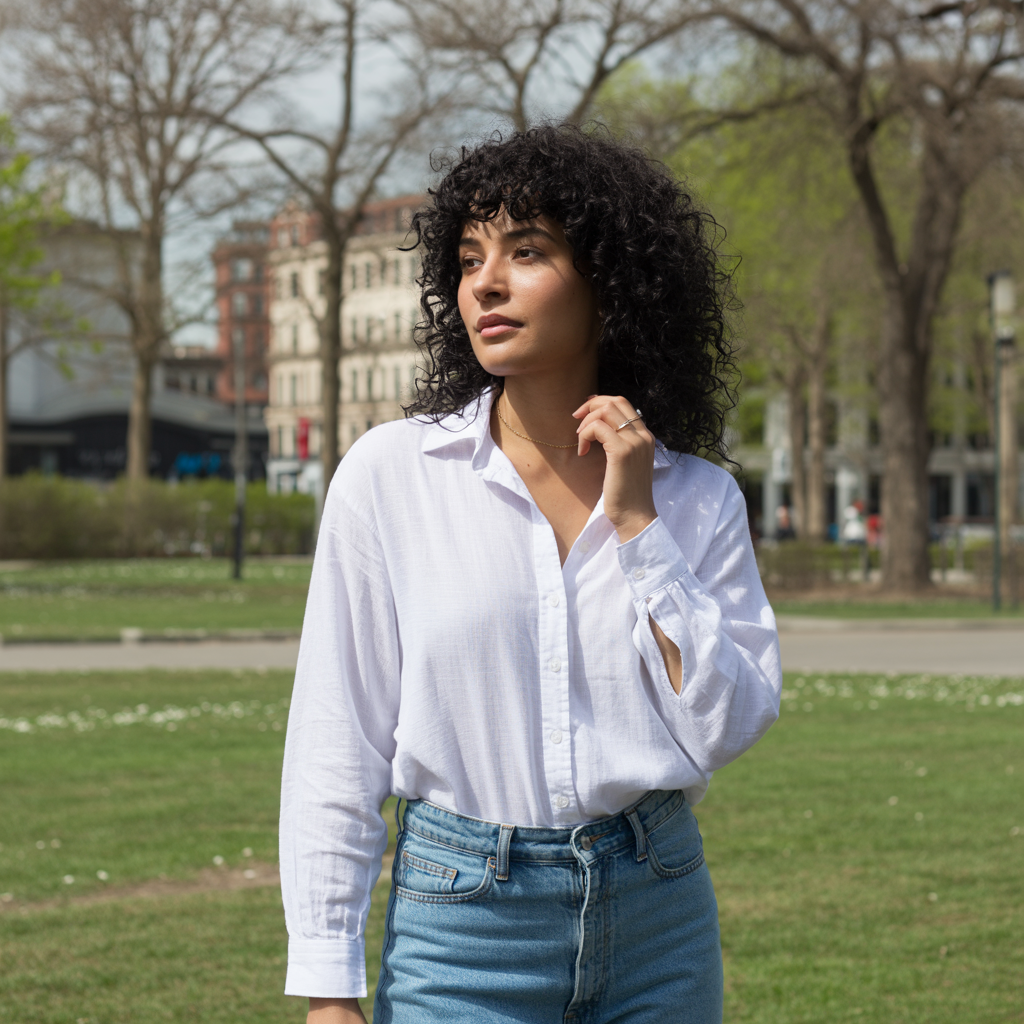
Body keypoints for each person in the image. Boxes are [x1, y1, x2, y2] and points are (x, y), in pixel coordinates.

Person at [280, 125, 782, 1024]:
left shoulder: (697, 499)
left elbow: (727, 724)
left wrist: (639, 528)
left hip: (659, 923)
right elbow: (335, 737)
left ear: (610, 281)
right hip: (460, 936)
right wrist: (328, 991)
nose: (486, 282)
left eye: (526, 250)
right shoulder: (390, 477)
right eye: (469, 258)